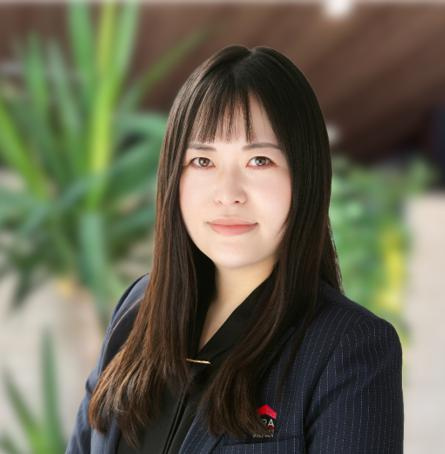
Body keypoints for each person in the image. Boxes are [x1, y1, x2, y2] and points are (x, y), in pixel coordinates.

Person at [66, 45, 404, 454]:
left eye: (259, 160)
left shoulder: (349, 348)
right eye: (202, 162)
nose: (227, 194)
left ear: (307, 176)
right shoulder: (137, 309)